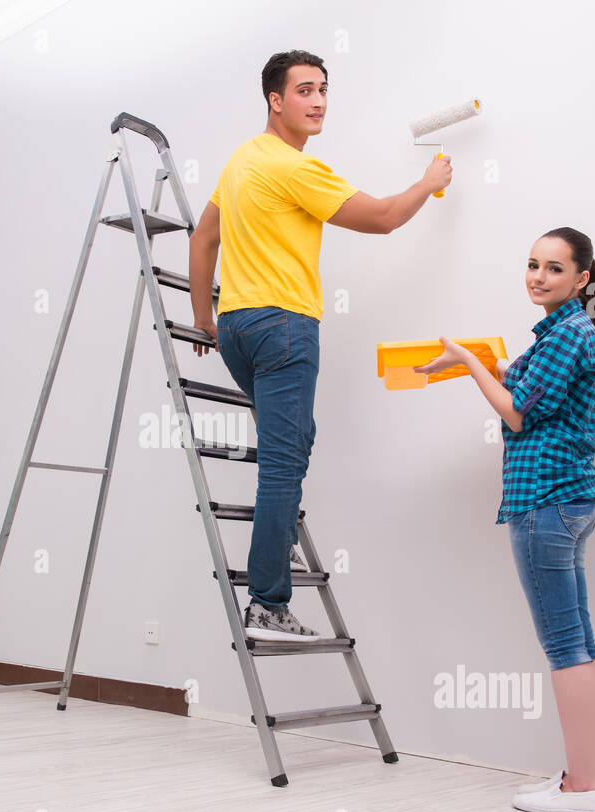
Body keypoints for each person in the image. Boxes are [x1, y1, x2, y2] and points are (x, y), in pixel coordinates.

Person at [188, 49, 452, 641]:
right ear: (274, 100)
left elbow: (205, 237)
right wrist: (428, 184)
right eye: (304, 91)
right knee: (284, 463)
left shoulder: (240, 163)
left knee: (294, 442)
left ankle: (269, 584)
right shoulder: (295, 168)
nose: (319, 102)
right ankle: (268, 603)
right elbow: (382, 218)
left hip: (237, 328)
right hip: (285, 327)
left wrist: (205, 318)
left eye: (324, 90)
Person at [413, 226, 595, 812]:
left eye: (554, 269)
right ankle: (584, 781)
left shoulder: (569, 333)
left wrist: (465, 362)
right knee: (577, 644)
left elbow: (515, 413)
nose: (538, 276)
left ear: (582, 279)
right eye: (533, 264)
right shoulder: (564, 332)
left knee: (565, 646)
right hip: (568, 502)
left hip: (547, 504)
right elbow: (523, 383)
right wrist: (481, 363)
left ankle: (585, 789)